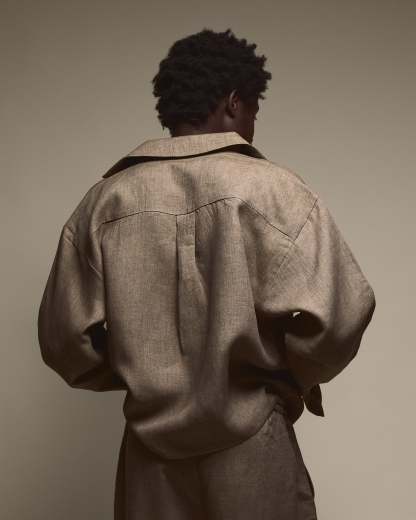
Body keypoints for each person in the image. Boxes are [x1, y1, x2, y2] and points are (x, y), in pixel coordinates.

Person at [37, 27, 376, 520]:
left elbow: (64, 342)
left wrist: (143, 369)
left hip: (149, 458)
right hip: (255, 444)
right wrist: (285, 375)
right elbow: (342, 316)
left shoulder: (104, 203)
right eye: (254, 110)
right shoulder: (277, 191)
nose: (253, 124)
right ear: (235, 102)